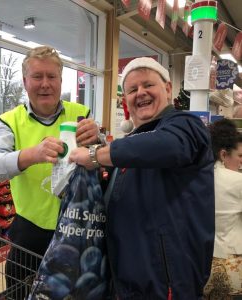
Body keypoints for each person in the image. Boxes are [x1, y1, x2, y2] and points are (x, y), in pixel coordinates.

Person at [69, 57, 215, 299]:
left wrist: (95, 154)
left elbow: (168, 146)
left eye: (148, 85)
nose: (141, 93)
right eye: (132, 89)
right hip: (128, 281)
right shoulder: (132, 144)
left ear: (167, 89)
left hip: (166, 283)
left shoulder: (185, 125)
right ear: (125, 100)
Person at [0, 45, 99, 299]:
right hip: (29, 234)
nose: (45, 84)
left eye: (51, 76)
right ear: (25, 82)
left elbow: (104, 162)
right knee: (20, 293)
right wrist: (31, 155)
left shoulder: (82, 115)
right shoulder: (9, 121)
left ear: (60, 80)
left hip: (77, 228)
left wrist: (98, 143)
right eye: (37, 76)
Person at [203, 118, 242, 299]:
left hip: (202, 263)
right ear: (224, 154)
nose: (241, 162)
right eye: (240, 156)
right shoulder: (237, 181)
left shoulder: (199, 178)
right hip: (233, 265)